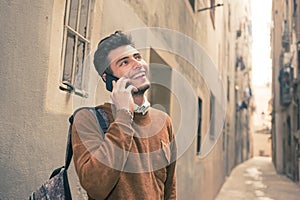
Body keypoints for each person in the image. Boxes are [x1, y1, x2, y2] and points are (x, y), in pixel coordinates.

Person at [72, 31, 177, 200]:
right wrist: (124, 115)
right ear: (108, 79)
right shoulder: (86, 119)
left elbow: (170, 188)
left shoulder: (163, 121)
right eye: (124, 62)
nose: (137, 64)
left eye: (138, 57)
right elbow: (95, 187)